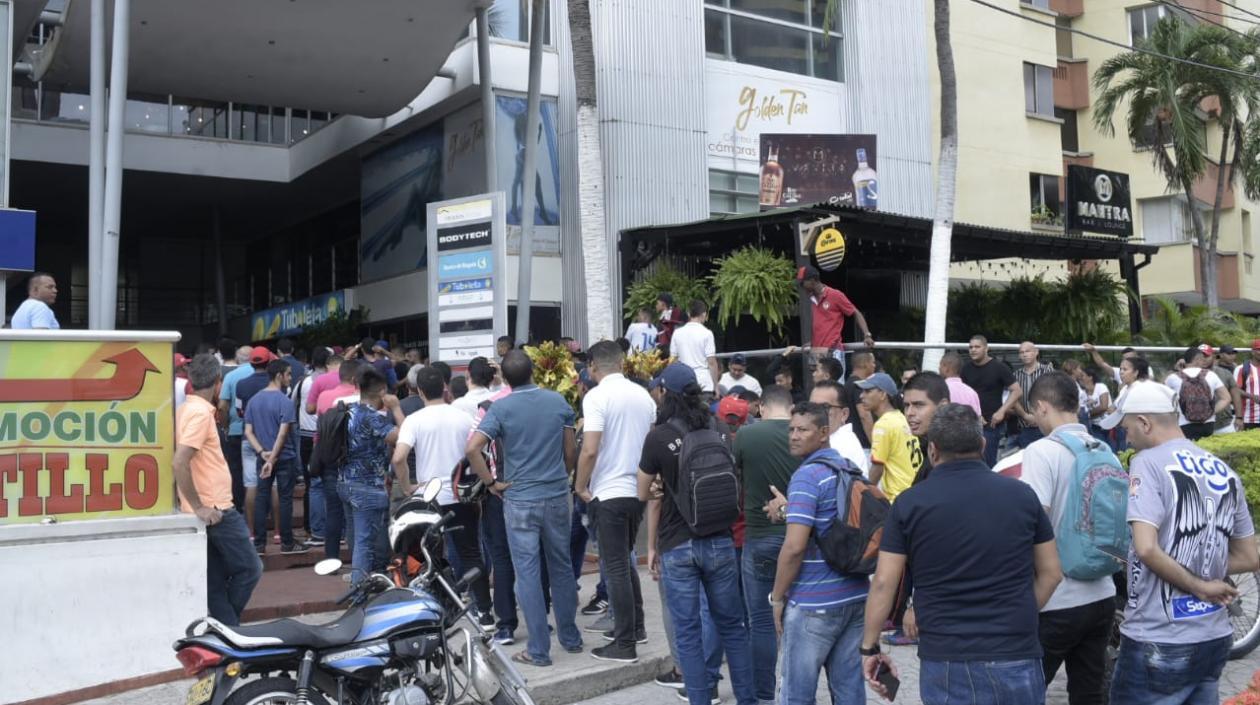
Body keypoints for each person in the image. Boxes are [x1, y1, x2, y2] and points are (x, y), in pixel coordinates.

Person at [860, 404, 1063, 705]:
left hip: (945, 656)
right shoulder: (1021, 495)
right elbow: (1051, 573)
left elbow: (883, 583)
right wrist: (1018, 615)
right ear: (982, 445)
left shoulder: (909, 504)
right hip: (1014, 651)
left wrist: (870, 647)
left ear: (933, 450)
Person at [1110, 382, 1258, 704]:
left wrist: (1196, 583)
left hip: (1159, 639)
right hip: (1214, 637)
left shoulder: (1146, 463)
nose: (1127, 437)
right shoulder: (1225, 471)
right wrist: (1197, 567)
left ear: (1145, 423)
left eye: (1127, 428)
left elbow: (1146, 548)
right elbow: (1249, 556)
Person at [637, 362, 754, 705]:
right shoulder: (718, 427)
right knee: (733, 627)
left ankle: (701, 699)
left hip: (678, 544)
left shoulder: (658, 437)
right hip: (720, 538)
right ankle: (748, 699)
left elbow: (643, 492)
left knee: (688, 633)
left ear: (666, 394)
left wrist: (659, 486)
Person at [465, 350, 584, 666]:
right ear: (533, 372)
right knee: (560, 565)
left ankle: (539, 650)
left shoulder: (501, 407)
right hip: (557, 493)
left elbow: (472, 447)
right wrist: (564, 474)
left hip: (519, 498)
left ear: (502, 378)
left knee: (527, 572)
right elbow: (570, 450)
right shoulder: (557, 402)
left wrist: (491, 482)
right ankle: (570, 638)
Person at [1022, 372, 1118, 705]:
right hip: (1103, 593)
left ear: (1042, 407)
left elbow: (1032, 523)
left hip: (1058, 600)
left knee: (1028, 690)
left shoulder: (1041, 451)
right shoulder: (1103, 448)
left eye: (1034, 413)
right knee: (1089, 694)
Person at [770, 402, 871, 705]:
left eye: (803, 429)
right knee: (849, 690)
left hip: (814, 604)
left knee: (796, 695)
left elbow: (794, 547)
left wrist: (777, 598)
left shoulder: (807, 476)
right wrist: (788, 509)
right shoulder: (845, 467)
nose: (795, 436)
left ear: (824, 433)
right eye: (791, 429)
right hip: (854, 597)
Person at [571, 341, 656, 663]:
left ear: (592, 365)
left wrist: (580, 486)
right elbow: (648, 444)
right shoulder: (643, 396)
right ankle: (636, 628)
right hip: (637, 491)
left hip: (608, 492)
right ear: (622, 363)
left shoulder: (596, 397)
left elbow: (590, 449)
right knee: (625, 560)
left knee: (616, 565)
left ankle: (624, 644)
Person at [391, 366, 494, 624]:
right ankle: (485, 613)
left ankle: (438, 611)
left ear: (420, 391)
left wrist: (408, 487)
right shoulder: (463, 417)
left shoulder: (414, 420)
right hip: (461, 496)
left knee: (431, 558)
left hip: (429, 499)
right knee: (471, 553)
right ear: (445, 388)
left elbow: (399, 457)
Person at [173, 354, 263, 626]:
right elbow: (180, 461)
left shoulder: (187, 410)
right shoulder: (200, 414)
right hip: (215, 509)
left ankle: (223, 629)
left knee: (215, 580)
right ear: (217, 383)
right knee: (251, 569)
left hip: (206, 508)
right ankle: (227, 628)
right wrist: (200, 505)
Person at [730, 385, 798, 705]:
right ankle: (796, 688)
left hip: (758, 536)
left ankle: (763, 694)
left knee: (760, 620)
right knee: (799, 616)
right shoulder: (804, 434)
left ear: (762, 409)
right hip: (799, 536)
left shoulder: (746, 436)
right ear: (791, 407)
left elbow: (737, 476)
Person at [340, 367, 405, 584]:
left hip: (345, 482)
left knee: (356, 536)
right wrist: (396, 408)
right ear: (382, 391)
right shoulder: (372, 418)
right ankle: (359, 587)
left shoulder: (348, 412)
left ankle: (361, 579)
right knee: (364, 541)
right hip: (367, 487)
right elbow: (404, 438)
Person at [244, 360, 307, 554]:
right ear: (279, 375)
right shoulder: (284, 402)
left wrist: (263, 453)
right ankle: (287, 542)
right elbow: (282, 433)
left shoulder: (254, 400)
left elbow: (248, 432)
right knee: (285, 498)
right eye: (288, 374)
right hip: (283, 456)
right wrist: (272, 458)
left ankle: (260, 543)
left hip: (263, 456)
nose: (290, 378)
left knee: (262, 497)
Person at [230, 346, 277, 538]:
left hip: (248, 437)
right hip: (273, 438)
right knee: (275, 485)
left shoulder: (241, 384)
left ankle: (250, 530)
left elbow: (240, 412)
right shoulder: (274, 382)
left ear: (251, 362)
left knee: (251, 484)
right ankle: (278, 531)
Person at [796, 265, 874, 374]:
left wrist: (867, 335)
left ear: (813, 280)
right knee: (819, 387)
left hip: (833, 351)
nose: (801, 286)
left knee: (835, 387)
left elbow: (856, 312)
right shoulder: (812, 300)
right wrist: (813, 343)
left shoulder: (835, 295)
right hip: (817, 351)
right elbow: (822, 326)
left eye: (802, 283)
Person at [961, 335, 1022, 466]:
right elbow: (963, 394)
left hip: (991, 424)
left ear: (986, 348)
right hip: (970, 423)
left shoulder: (999, 367)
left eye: (977, 347)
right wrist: (975, 413)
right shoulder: (966, 369)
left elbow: (1017, 390)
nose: (973, 350)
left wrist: (1002, 411)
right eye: (970, 347)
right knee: (968, 462)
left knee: (987, 463)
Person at [858, 372, 920, 501]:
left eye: (868, 391)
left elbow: (877, 468)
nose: (861, 396)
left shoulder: (883, 425)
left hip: (897, 497)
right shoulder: (900, 417)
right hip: (913, 491)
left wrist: (863, 497)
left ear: (882, 394)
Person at [293, 347, 329, 546]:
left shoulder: (303, 383)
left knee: (311, 484)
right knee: (331, 482)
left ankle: (311, 528)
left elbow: (294, 405)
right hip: (330, 436)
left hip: (307, 436)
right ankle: (334, 528)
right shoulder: (336, 381)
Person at [1163, 346, 1229, 441]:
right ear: (1197, 359)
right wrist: (1211, 411)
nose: (1204, 361)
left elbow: (1160, 393)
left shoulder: (1173, 377)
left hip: (1184, 424)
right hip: (1207, 423)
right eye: (1202, 359)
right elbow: (1226, 398)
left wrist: (1175, 369)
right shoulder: (1211, 375)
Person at [219, 345, 257, 513]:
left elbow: (222, 406)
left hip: (236, 428)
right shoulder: (262, 375)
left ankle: (239, 506)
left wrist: (225, 426)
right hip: (260, 430)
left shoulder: (230, 376)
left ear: (237, 358)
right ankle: (260, 507)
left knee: (236, 470)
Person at [809, 380, 870, 473]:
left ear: (844, 414)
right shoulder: (830, 439)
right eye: (811, 407)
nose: (816, 413)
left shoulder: (838, 448)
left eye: (825, 407)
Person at [670, 300, 721, 396]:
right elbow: (711, 362)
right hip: (703, 382)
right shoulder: (707, 333)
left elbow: (673, 360)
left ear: (688, 313)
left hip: (683, 381)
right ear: (704, 314)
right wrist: (716, 385)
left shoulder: (677, 333)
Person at [1013, 341, 1055, 448]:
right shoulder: (1015, 375)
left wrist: (1040, 416)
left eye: (1027, 351)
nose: (1024, 354)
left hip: (1047, 425)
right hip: (1025, 426)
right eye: (1021, 352)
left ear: (1036, 352)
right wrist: (1025, 416)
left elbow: (1054, 395)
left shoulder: (1047, 370)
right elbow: (1013, 399)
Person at [844, 351, 877, 449]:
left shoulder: (847, 384)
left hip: (853, 443)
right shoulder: (858, 385)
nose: (874, 366)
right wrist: (875, 446)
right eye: (873, 362)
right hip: (863, 446)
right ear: (865, 364)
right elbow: (864, 415)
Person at [1207, 345, 1240, 436]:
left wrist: (1239, 417)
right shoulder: (1214, 369)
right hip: (1216, 413)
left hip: (1228, 413)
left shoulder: (1235, 368)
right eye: (1229, 354)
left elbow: (1236, 391)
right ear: (1221, 355)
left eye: (1233, 354)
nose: (1232, 356)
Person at [938, 351, 982, 418]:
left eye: (940, 365)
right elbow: (978, 419)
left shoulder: (938, 390)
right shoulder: (972, 393)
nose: (939, 368)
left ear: (946, 368)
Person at [1236, 339, 1260, 430]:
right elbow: (1235, 390)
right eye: (1259, 349)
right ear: (1253, 352)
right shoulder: (1242, 368)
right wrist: (1252, 396)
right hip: (1249, 418)